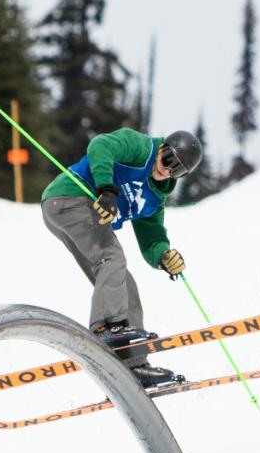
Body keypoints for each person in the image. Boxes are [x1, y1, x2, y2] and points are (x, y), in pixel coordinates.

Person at [40, 127, 203, 388]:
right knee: (112, 257)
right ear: (163, 148)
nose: (167, 170)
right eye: (169, 160)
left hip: (67, 212)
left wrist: (163, 255)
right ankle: (106, 329)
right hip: (69, 197)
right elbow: (100, 145)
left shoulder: (154, 199)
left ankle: (133, 367)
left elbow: (152, 238)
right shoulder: (141, 148)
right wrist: (106, 189)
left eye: (178, 170)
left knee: (127, 288)